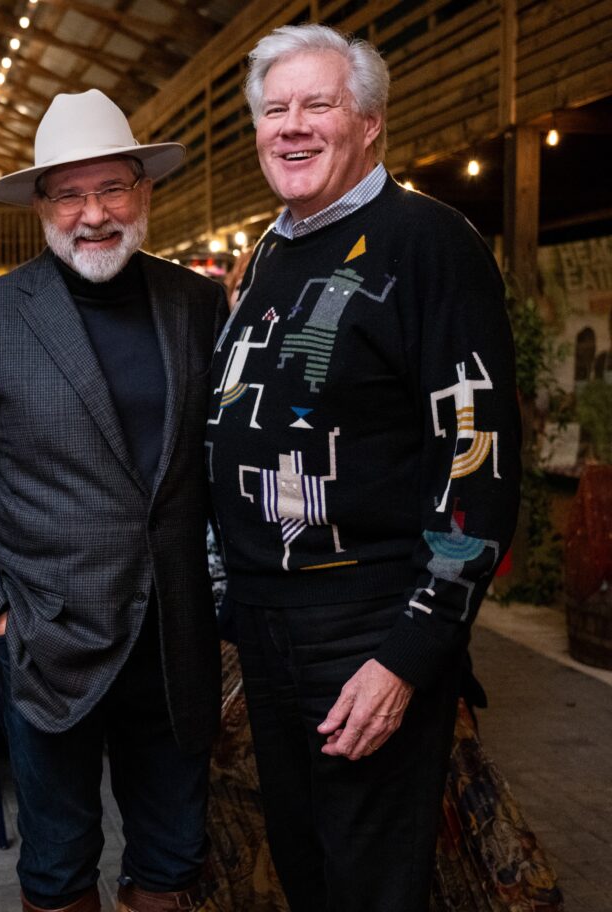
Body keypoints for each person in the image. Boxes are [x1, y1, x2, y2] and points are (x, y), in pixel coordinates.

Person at [205, 24, 521, 911]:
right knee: (308, 870)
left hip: (364, 627)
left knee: (371, 881)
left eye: (318, 104)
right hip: (268, 625)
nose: (292, 126)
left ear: (370, 123)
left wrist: (412, 655)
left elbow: (479, 465)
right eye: (275, 110)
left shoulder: (429, 242)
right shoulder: (271, 250)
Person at [0, 89, 227, 912]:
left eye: (112, 189)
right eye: (70, 193)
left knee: (173, 858)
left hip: (174, 642)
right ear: (40, 207)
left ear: (144, 192)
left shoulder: (197, 305)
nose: (94, 213)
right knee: (57, 867)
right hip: (48, 643)